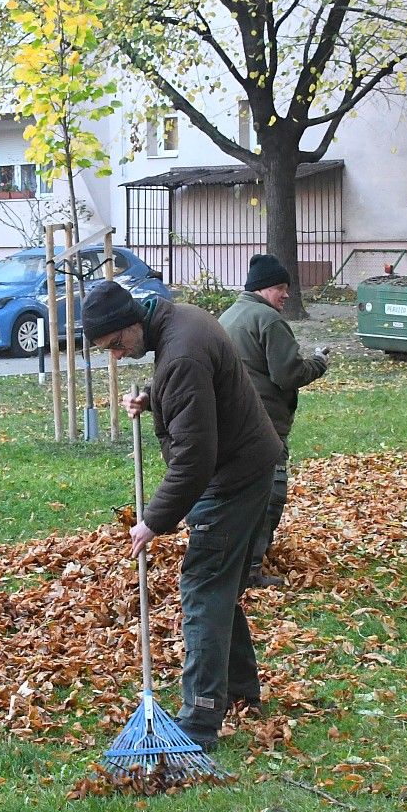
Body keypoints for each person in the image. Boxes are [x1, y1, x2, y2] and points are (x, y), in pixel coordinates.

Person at [84, 280, 283, 749]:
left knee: (203, 589)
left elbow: (194, 459)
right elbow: (194, 387)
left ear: (132, 322)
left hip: (231, 479)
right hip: (250, 465)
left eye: (116, 344)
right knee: (221, 585)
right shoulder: (180, 321)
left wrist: (152, 521)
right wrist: (154, 396)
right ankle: (239, 690)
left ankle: (200, 717)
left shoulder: (181, 353)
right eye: (107, 350)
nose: (117, 356)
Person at [219, 254, 329, 588]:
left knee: (238, 495)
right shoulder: (267, 320)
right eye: (280, 287)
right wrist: (319, 363)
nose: (286, 294)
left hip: (231, 423)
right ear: (263, 288)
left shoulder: (228, 316)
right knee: (270, 495)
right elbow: (288, 374)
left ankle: (233, 561)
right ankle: (250, 569)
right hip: (264, 425)